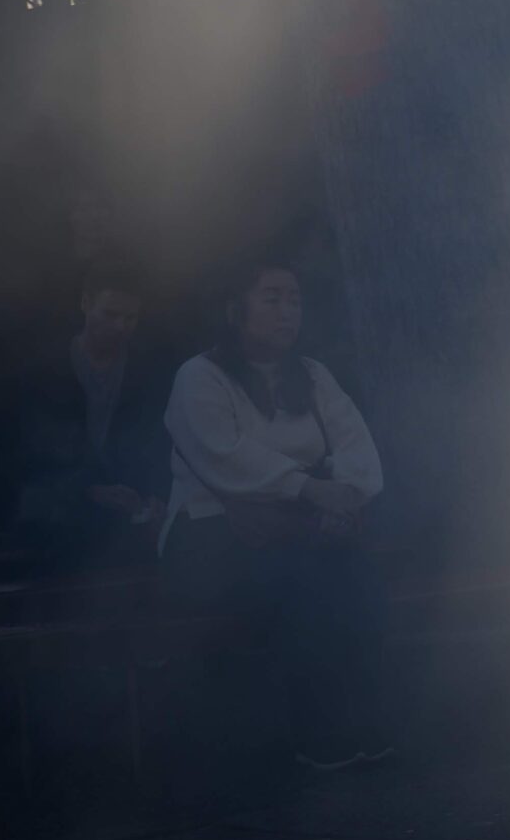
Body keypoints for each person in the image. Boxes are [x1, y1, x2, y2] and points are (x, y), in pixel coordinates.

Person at [161, 261, 391, 769]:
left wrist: (347, 496)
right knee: (303, 578)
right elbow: (225, 455)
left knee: (357, 575)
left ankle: (368, 718)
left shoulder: (311, 375)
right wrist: (311, 490)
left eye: (294, 299)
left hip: (300, 523)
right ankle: (316, 731)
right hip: (211, 532)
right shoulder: (199, 376)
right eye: (271, 298)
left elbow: (354, 440)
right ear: (235, 309)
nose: (287, 310)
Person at [10, 261, 171, 571]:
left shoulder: (149, 371)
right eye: (110, 314)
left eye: (130, 317)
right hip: (57, 516)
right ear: (85, 303)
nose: (121, 326)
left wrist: (153, 496)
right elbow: (30, 452)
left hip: (129, 514)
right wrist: (88, 488)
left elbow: (158, 442)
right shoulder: (45, 370)